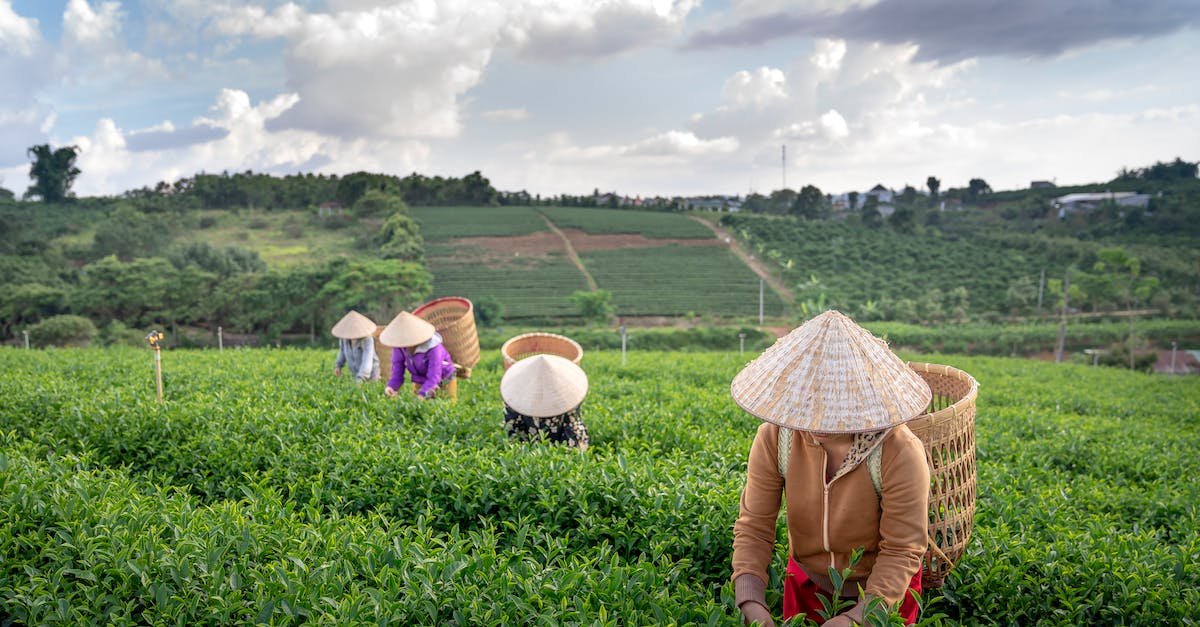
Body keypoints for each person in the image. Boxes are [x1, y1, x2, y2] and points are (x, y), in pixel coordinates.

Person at [729, 310, 932, 627]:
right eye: (808, 400)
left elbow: (902, 550)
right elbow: (754, 526)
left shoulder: (899, 451)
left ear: (860, 396)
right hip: (808, 584)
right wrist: (751, 600)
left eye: (833, 403)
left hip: (883, 590)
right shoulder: (775, 438)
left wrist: (859, 617)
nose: (817, 417)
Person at [500, 354, 589, 450]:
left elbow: (572, 432)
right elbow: (514, 431)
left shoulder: (568, 401)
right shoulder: (514, 402)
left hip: (562, 442)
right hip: (529, 444)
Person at [379, 311, 457, 401]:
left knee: (445, 406)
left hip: (445, 378)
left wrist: (422, 395)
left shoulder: (433, 347)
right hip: (420, 379)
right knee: (420, 410)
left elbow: (434, 377)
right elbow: (397, 373)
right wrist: (391, 387)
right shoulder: (399, 346)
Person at [331, 310, 380, 383]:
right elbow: (342, 352)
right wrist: (338, 366)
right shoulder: (344, 339)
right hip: (355, 376)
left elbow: (367, 362)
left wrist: (360, 379)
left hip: (370, 377)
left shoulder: (367, 339)